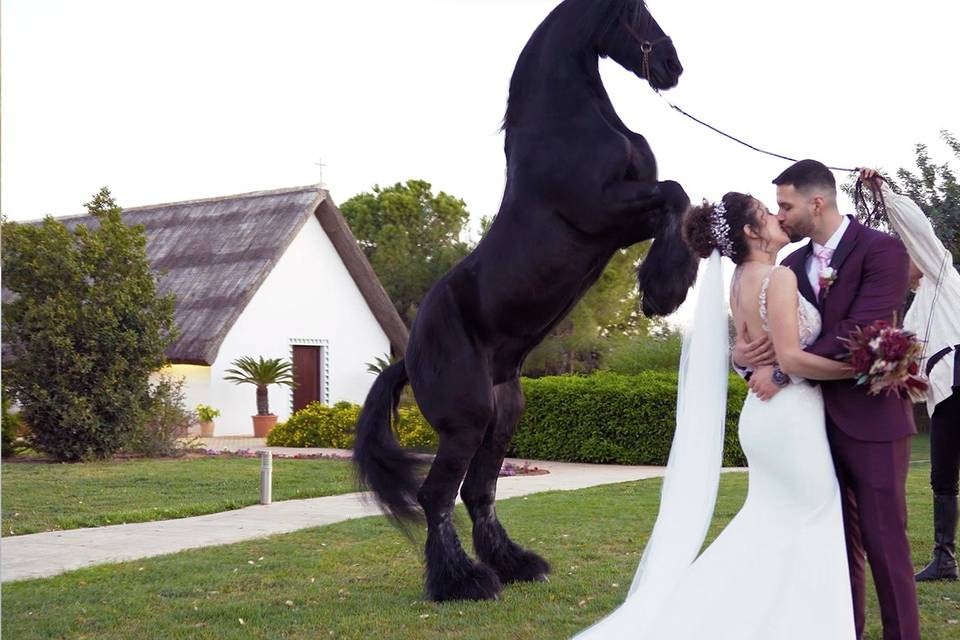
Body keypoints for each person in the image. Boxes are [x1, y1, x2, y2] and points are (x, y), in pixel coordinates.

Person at [574, 190, 857, 639]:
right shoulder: (779, 278)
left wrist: (753, 362)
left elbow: (751, 353)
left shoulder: (739, 279)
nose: (776, 217)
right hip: (789, 419)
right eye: (767, 213)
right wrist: (862, 365)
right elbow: (792, 359)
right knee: (812, 521)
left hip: (763, 418)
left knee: (771, 527)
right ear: (751, 231)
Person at [735, 160, 920, 640]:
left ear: (816, 203)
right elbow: (764, 333)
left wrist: (782, 366)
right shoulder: (789, 267)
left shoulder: (883, 251)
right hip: (809, 430)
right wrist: (743, 356)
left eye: (786, 205)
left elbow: (861, 332)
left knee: (886, 546)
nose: (781, 215)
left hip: (873, 421)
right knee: (834, 549)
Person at [859, 167, 960, 582]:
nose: (906, 258)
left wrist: (883, 192)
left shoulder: (944, 276)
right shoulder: (915, 312)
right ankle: (945, 559)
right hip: (944, 399)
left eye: (909, 252)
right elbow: (912, 373)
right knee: (941, 476)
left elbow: (919, 230)